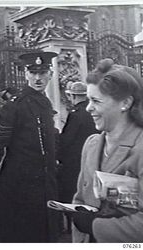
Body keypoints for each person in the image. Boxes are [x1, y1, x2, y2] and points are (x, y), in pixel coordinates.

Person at [0, 49, 60, 242]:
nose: (38, 78)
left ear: (50, 74)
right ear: (26, 74)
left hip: (46, 185)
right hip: (20, 190)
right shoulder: (15, 105)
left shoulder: (44, 102)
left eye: (42, 73)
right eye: (33, 73)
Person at [71, 59, 143, 243]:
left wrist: (95, 226)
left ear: (125, 103)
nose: (88, 108)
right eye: (88, 100)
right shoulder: (91, 144)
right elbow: (79, 201)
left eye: (96, 101)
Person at [57, 81, 98, 233]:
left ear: (72, 96)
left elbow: (66, 140)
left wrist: (59, 156)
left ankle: (72, 225)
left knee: (72, 193)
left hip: (74, 162)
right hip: (93, 158)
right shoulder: (93, 111)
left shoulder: (75, 115)